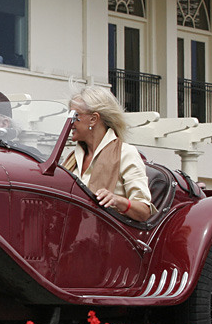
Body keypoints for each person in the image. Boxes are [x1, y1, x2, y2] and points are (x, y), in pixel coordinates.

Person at [62, 86, 153, 222]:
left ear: (93, 119)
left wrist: (117, 200)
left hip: (108, 239)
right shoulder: (72, 158)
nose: (70, 123)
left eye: (75, 116)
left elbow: (144, 211)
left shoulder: (126, 153)